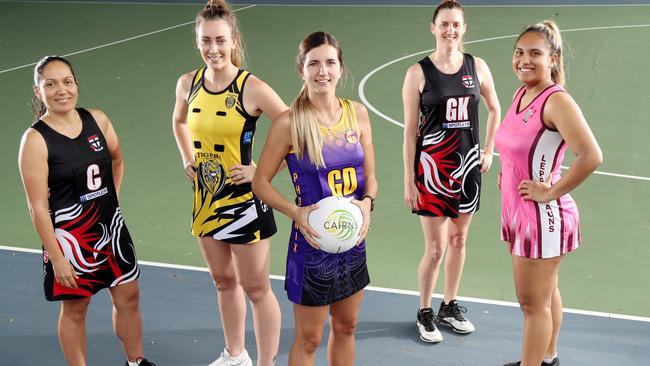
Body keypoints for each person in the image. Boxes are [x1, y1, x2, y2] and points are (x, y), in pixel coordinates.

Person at [17, 56, 155, 366]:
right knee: (76, 310)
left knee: (128, 298)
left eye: (67, 81)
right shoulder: (36, 140)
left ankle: (136, 362)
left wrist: (111, 201)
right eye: (50, 84)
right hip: (70, 240)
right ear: (38, 92)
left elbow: (117, 159)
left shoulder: (98, 120)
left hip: (112, 231)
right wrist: (57, 257)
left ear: (76, 84)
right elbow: (37, 206)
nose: (60, 90)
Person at [171, 1, 286, 365]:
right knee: (223, 281)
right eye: (206, 41)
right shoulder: (187, 83)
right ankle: (235, 355)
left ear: (233, 40)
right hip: (206, 199)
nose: (213, 49)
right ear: (197, 41)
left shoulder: (250, 87)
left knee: (256, 288)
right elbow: (179, 121)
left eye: (220, 40)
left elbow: (292, 130)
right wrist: (187, 156)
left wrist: (261, 173)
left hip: (245, 203)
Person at [252, 31, 377, 366]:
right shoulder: (289, 123)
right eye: (314, 64)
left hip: (352, 242)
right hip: (312, 246)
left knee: (347, 326)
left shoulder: (358, 114)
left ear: (341, 68)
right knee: (309, 339)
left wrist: (367, 205)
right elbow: (260, 183)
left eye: (330, 63)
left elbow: (372, 179)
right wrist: (296, 212)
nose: (323, 71)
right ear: (302, 69)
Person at [495, 21, 602, 366]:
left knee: (532, 304)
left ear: (553, 59)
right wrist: (509, 175)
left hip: (541, 217)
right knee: (547, 293)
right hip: (521, 210)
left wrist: (549, 192)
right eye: (520, 52)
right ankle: (548, 358)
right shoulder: (520, 93)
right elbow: (520, 149)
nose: (524, 60)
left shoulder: (556, 101)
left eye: (535, 54)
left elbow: (591, 156)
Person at [401, 0, 501, 342]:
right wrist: (409, 178)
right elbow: (409, 131)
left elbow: (494, 108)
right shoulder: (418, 73)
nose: (450, 30)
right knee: (435, 249)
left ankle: (449, 305)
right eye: (444, 24)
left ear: (464, 28)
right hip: (431, 171)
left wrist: (488, 150)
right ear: (433, 28)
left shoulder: (478, 66)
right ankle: (424, 311)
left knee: (459, 240)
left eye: (456, 24)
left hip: (468, 168)